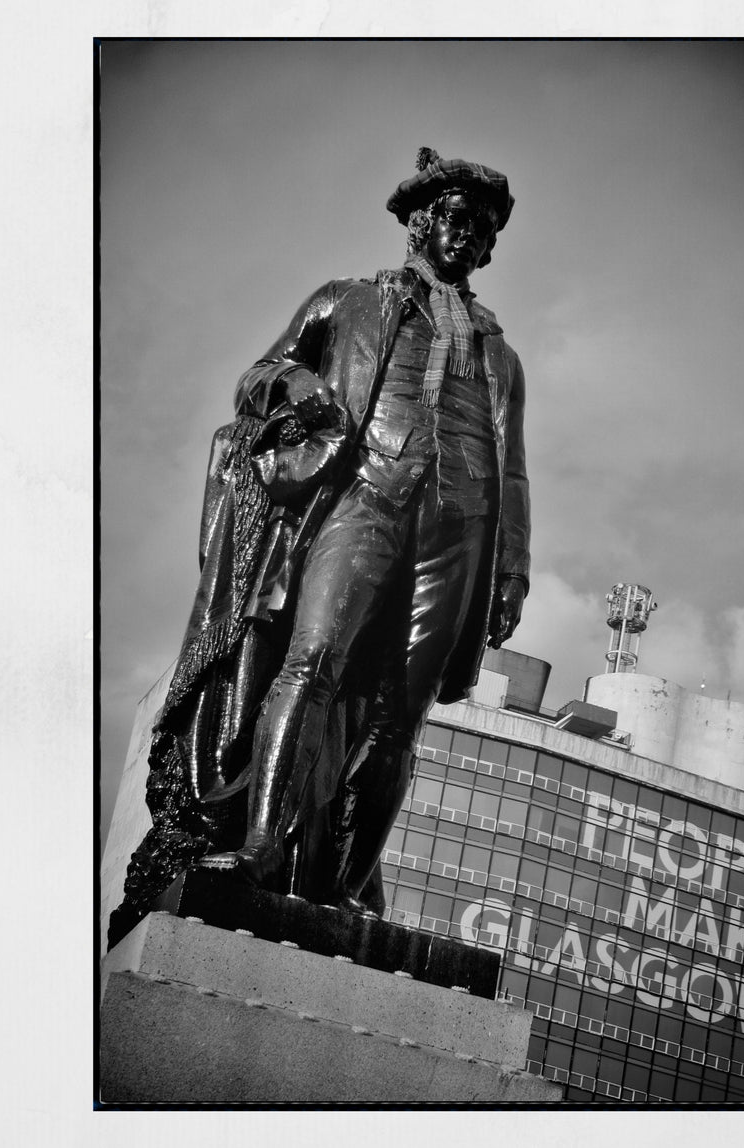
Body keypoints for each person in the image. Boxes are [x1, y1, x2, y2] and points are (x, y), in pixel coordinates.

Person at [186, 148, 531, 914]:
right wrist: (299, 381)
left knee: (400, 718)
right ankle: (261, 842)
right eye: (455, 220)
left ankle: (341, 887)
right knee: (310, 662)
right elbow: (257, 375)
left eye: (482, 231)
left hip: (460, 528)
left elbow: (513, 469)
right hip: (364, 494)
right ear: (419, 224)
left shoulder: (499, 354)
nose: (468, 237)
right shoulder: (345, 301)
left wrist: (511, 567)